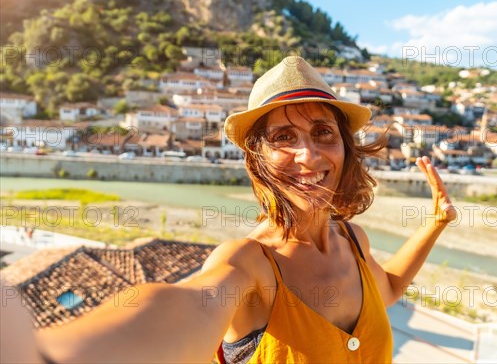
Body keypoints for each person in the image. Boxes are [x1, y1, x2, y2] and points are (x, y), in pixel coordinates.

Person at [18, 56, 455, 363]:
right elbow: (182, 307)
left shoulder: (354, 240)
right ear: (257, 159)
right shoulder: (248, 264)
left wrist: (437, 223)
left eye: (323, 132)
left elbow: (390, 289)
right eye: (284, 137)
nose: (309, 155)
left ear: (345, 147)